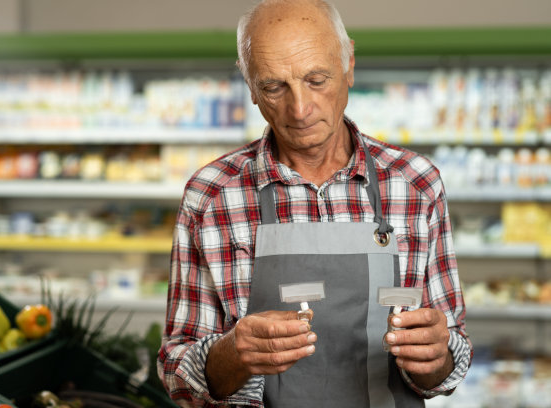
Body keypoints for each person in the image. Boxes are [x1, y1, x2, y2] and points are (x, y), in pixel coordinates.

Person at [158, 0, 472, 406]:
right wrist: (232, 355)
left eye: (317, 79)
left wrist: (435, 357)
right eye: (274, 86)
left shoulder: (416, 184)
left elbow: (449, 360)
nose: (300, 109)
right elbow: (176, 370)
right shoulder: (211, 196)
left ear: (349, 65)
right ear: (250, 87)